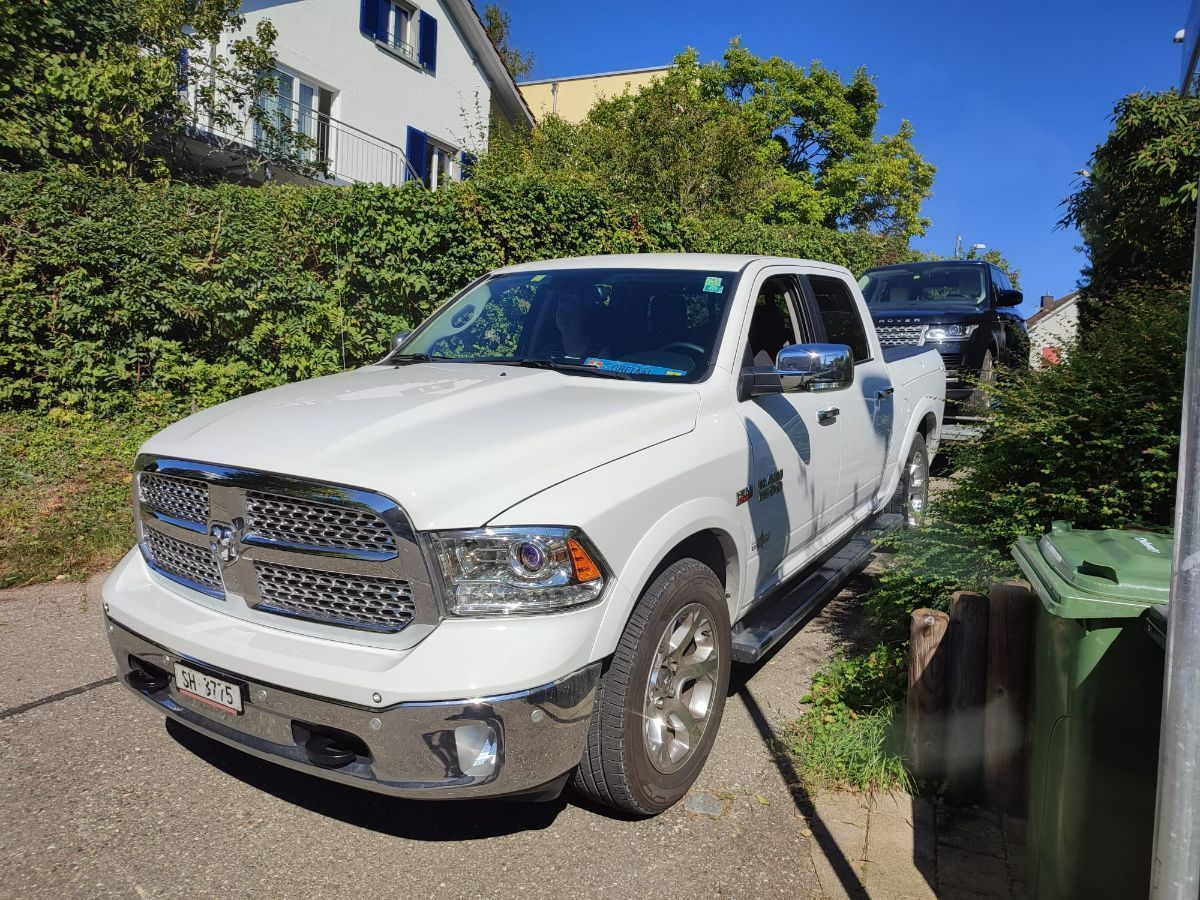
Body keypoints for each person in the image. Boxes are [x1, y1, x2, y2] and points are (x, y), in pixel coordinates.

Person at [549, 282, 610, 359]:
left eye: (570, 311)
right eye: (561, 310)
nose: (564, 316)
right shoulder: (550, 350)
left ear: (583, 315)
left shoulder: (600, 350)